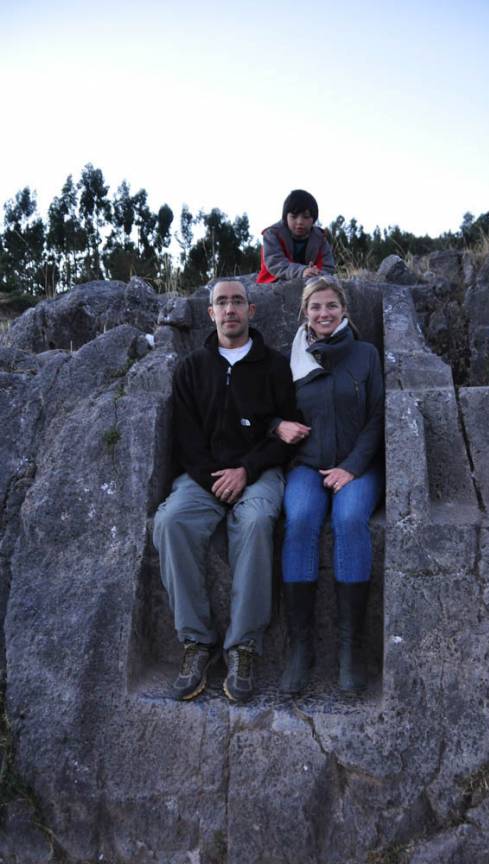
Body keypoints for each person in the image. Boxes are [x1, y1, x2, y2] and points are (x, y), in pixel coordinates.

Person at [153, 280, 299, 703]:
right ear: (211, 313)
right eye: (221, 302)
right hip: (204, 477)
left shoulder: (275, 366)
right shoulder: (191, 368)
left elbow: (288, 432)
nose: (230, 308)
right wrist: (214, 480)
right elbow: (185, 438)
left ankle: (244, 646)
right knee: (170, 521)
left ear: (251, 311)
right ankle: (197, 642)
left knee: (255, 522)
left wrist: (246, 470)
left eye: (237, 301)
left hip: (259, 473)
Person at [275, 275, 384, 696]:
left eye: (331, 306)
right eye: (316, 307)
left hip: (358, 466)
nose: (323, 314)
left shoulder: (365, 355)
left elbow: (377, 416)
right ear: (306, 312)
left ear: (344, 311)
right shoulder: (294, 360)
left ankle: (349, 649)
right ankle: (300, 648)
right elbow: (274, 411)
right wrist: (275, 426)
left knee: (350, 519)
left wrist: (352, 466)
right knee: (299, 518)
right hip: (307, 464)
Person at [256, 189, 336, 284]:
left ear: (313, 219)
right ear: (285, 217)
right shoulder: (272, 234)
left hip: (311, 284)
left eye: (306, 217)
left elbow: (328, 267)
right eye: (294, 217)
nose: (300, 222)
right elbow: (275, 263)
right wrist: (302, 271)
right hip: (272, 282)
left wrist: (316, 273)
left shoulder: (320, 238)